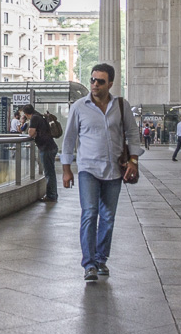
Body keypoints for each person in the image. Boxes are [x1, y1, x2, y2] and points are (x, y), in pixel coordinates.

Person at [61, 63, 142, 281]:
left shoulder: (121, 106)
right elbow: (69, 140)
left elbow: (133, 135)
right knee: (90, 213)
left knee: (108, 217)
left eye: (100, 81)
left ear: (111, 83)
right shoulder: (79, 107)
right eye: (92, 80)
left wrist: (133, 160)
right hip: (88, 169)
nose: (95, 84)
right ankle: (89, 264)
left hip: (114, 170)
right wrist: (67, 169)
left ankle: (101, 260)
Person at [22, 104, 59, 202]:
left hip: (46, 148)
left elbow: (30, 133)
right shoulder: (39, 116)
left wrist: (33, 132)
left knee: (49, 172)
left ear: (25, 113)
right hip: (50, 146)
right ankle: (53, 194)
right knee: (50, 172)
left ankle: (51, 195)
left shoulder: (34, 118)